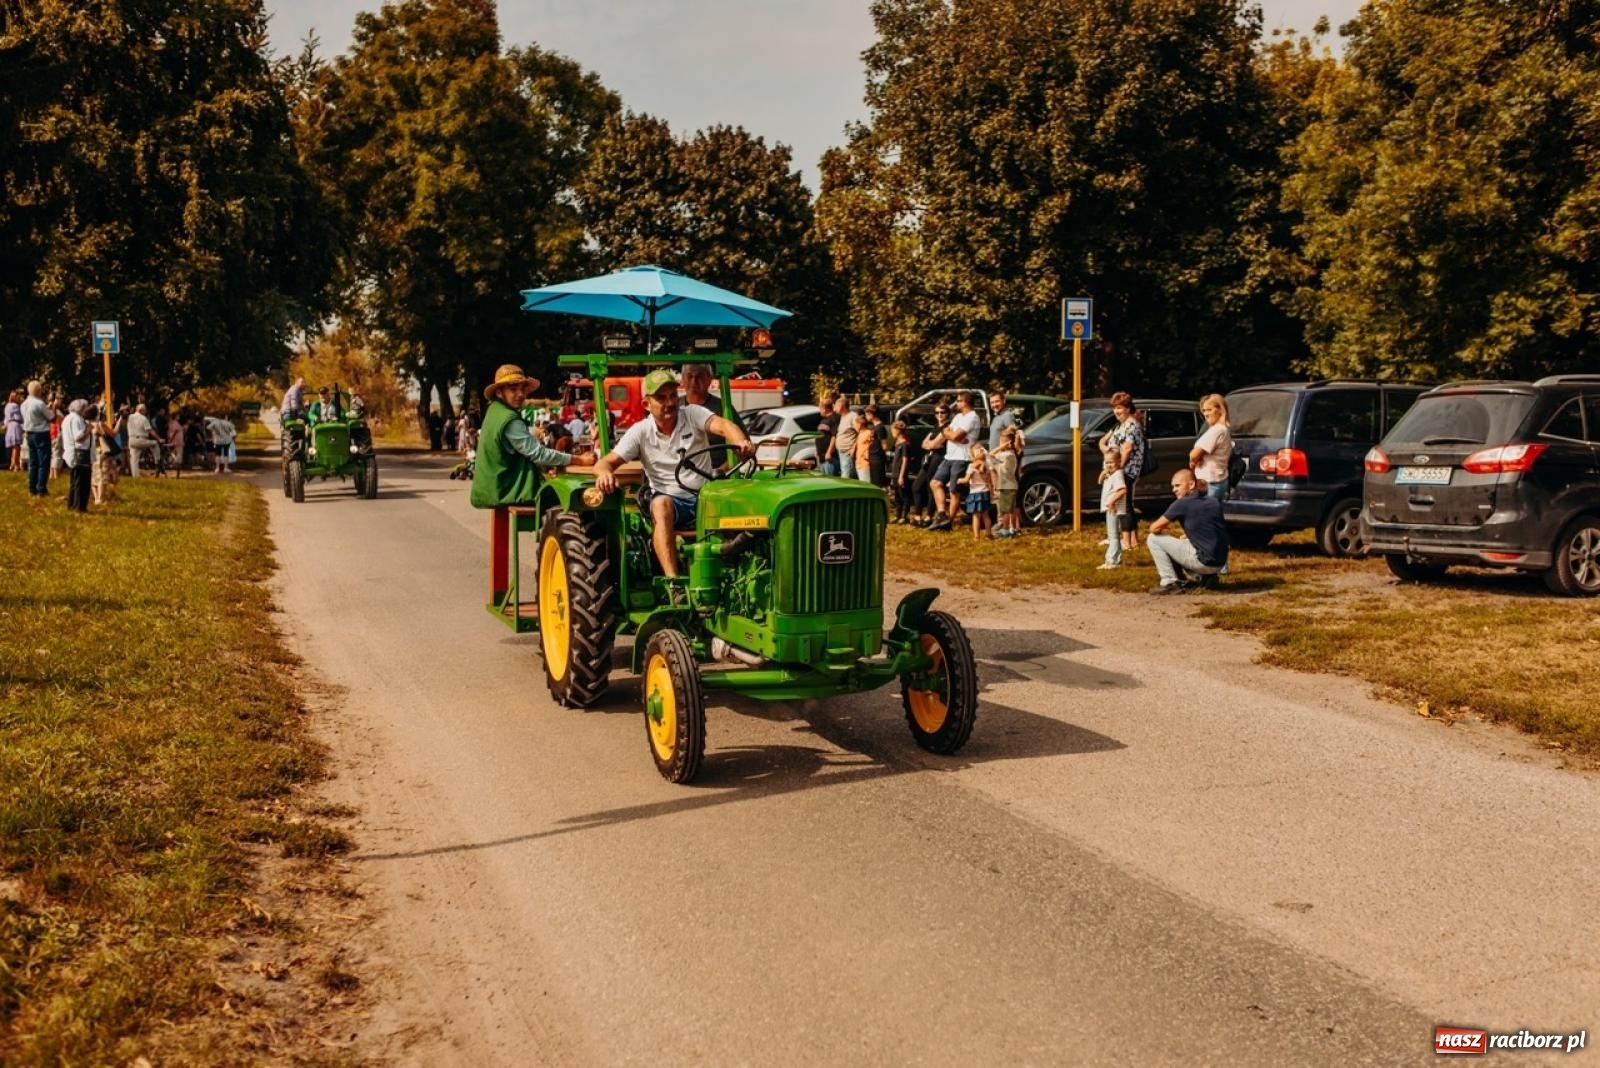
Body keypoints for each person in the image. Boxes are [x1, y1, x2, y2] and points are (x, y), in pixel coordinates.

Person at [592, 368, 754, 582]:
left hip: (706, 497)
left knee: (747, 499)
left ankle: (745, 572)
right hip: (672, 503)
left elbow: (724, 425)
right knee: (661, 505)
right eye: (661, 398)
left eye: (672, 396)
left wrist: (740, 442)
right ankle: (674, 582)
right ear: (646, 404)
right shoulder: (640, 432)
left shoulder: (693, 413)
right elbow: (605, 462)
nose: (670, 403)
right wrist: (604, 473)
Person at [470, 364, 593, 510]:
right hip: (506, 489)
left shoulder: (494, 411)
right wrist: (579, 460)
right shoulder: (510, 419)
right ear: (499, 392)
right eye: (513, 389)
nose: (520, 394)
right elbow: (538, 454)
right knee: (574, 497)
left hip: (492, 486)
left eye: (523, 389)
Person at [1147, 469, 1230, 594]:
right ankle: (1206, 578)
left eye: (1177, 485)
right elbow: (1212, 528)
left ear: (1191, 485)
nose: (1174, 489)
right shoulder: (1213, 502)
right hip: (1220, 562)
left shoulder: (1181, 504)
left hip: (1204, 562)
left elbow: (1154, 528)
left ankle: (1170, 582)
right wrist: (1189, 535)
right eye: (1173, 486)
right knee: (1184, 542)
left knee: (1153, 539)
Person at [1099, 392, 1148, 547]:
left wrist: (1118, 468)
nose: (1116, 411)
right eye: (1115, 408)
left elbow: (1127, 449)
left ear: (1128, 408)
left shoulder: (1131, 425)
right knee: (1127, 505)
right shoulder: (1121, 425)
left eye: (1119, 408)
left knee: (1123, 506)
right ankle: (1133, 540)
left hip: (1127, 470)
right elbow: (1106, 443)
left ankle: (1126, 542)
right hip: (1122, 469)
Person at [929, 391, 980, 530]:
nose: (956, 403)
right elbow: (947, 431)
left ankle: (948, 522)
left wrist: (951, 435)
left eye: (958, 401)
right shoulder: (958, 416)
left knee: (954, 490)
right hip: (949, 456)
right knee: (935, 483)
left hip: (962, 458)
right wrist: (951, 434)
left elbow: (956, 435)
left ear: (965, 402)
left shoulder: (972, 417)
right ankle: (941, 515)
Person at [1190, 393, 1233, 501]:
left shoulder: (1217, 430)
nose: (1206, 414)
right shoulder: (1223, 429)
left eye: (1209, 409)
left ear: (1220, 409)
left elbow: (1193, 455)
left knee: (1204, 516)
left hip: (1209, 483)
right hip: (1218, 481)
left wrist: (1195, 458)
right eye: (1204, 410)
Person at [912, 405, 950, 525]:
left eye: (942, 412)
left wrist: (931, 444)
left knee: (931, 487)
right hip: (930, 457)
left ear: (948, 413)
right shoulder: (936, 426)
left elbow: (934, 444)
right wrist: (931, 444)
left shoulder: (947, 427)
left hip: (939, 457)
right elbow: (924, 444)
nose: (939, 415)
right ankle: (917, 516)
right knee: (916, 486)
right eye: (937, 412)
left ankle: (929, 516)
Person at [1097, 452, 1128, 569]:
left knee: (1113, 536)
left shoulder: (1117, 475)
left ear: (1119, 462)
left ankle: (1111, 561)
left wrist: (1111, 502)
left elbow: (1122, 490)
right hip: (1110, 509)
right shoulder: (1110, 474)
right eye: (1106, 462)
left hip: (1113, 509)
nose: (1108, 465)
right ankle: (1117, 559)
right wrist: (1104, 472)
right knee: (1113, 535)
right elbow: (1099, 482)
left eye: (1111, 462)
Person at [60, 399, 91, 512]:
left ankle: (72, 504)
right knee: (82, 482)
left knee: (74, 481)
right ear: (82, 409)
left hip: (70, 452)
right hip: (79, 453)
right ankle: (79, 506)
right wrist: (88, 430)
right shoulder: (77, 419)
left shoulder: (67, 418)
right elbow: (79, 438)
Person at [958, 443, 994, 539]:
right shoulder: (987, 465)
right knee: (986, 515)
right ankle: (989, 534)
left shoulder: (972, 466)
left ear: (973, 455)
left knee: (976, 516)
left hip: (975, 493)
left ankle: (976, 536)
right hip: (985, 491)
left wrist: (959, 480)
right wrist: (992, 491)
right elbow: (990, 481)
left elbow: (966, 480)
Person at [990, 426, 1020, 538]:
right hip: (1010, 485)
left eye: (1001, 441)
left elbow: (990, 455)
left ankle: (1005, 530)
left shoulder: (1006, 455)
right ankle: (1012, 528)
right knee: (1010, 509)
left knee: (1005, 510)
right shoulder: (1011, 454)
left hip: (1006, 486)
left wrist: (1000, 447)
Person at [888, 421, 914, 523]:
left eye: (893, 431)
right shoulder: (897, 443)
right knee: (897, 495)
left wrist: (901, 476)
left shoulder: (905, 444)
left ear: (898, 431)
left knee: (904, 495)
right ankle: (898, 515)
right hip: (895, 473)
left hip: (900, 474)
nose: (892, 433)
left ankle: (904, 515)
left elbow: (905, 460)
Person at [855, 403, 886, 485]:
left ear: (871, 414)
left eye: (867, 414)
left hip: (877, 459)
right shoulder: (874, 427)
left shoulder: (880, 427)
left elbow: (884, 446)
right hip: (872, 459)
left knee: (877, 483)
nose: (866, 416)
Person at [126, 403, 158, 477]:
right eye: (145, 410)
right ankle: (157, 462)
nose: (146, 412)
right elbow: (150, 430)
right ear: (141, 410)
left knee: (134, 460)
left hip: (131, 440)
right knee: (155, 443)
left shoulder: (130, 417)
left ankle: (135, 477)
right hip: (141, 440)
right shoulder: (144, 418)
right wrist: (159, 439)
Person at [834, 396, 859, 481]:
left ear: (841, 406)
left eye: (836, 406)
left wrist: (853, 448)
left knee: (846, 476)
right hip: (841, 451)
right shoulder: (843, 417)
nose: (834, 409)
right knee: (844, 473)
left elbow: (860, 433)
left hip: (848, 451)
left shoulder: (853, 416)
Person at [815, 392, 839, 476]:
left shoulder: (834, 419)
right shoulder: (823, 420)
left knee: (831, 480)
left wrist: (829, 452)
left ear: (825, 409)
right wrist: (817, 451)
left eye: (820, 409)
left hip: (829, 458)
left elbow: (834, 437)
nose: (820, 411)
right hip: (821, 457)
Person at [5, 390, 22, 471]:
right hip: (15, 424)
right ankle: (16, 465)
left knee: (13, 447)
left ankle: (12, 464)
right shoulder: (15, 406)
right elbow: (20, 417)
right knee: (16, 447)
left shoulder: (7, 406)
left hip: (10, 425)